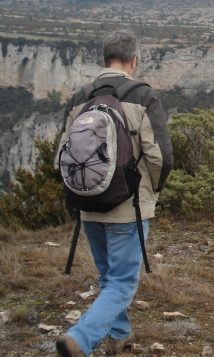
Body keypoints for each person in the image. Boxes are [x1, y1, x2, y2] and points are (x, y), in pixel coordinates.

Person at [55, 31, 173, 357]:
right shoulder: (143, 95)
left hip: (87, 203)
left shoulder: (80, 97)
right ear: (134, 60)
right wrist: (152, 191)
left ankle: (120, 335)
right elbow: (161, 156)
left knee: (109, 277)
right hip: (128, 206)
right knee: (122, 283)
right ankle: (80, 339)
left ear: (103, 59)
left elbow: (60, 154)